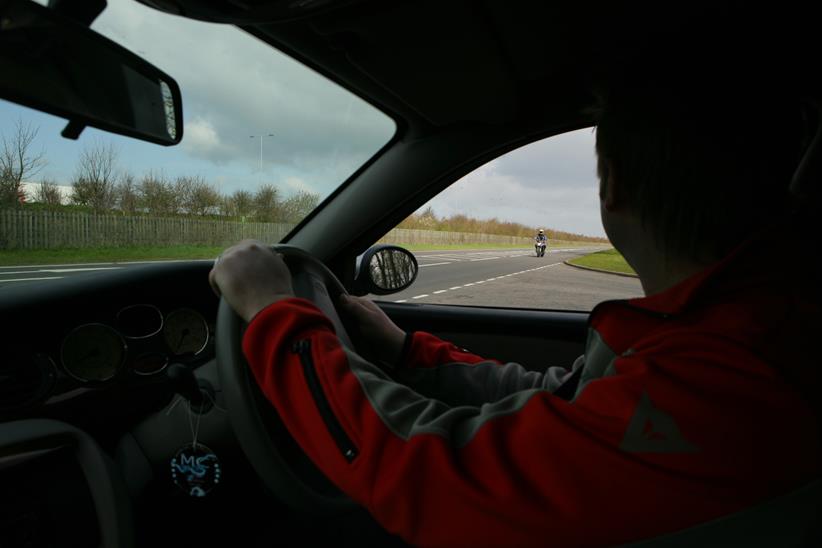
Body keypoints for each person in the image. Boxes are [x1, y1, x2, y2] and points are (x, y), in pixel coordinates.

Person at [208, 72, 821, 545]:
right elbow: (563, 403)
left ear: (610, 186)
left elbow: (429, 477)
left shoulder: (724, 381)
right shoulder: (738, 334)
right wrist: (403, 351)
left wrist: (274, 314)